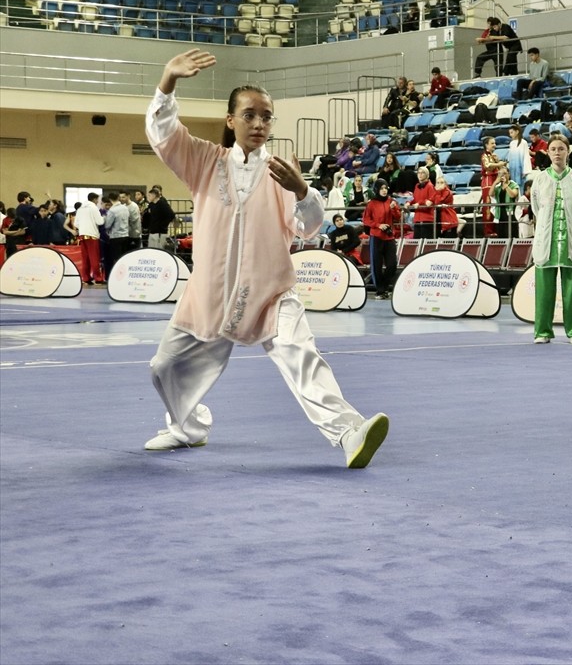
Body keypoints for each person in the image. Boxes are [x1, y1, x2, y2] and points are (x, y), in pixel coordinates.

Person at [140, 50, 388, 466]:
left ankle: (349, 433)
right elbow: (163, 133)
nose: (259, 124)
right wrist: (168, 80)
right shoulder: (203, 160)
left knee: (301, 355)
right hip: (209, 295)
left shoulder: (282, 171)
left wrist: (304, 191)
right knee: (163, 366)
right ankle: (187, 426)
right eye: (250, 115)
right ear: (230, 120)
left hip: (271, 292)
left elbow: (309, 227)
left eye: (267, 117)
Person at [530, 134, 572, 344]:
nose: (557, 153)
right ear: (548, 152)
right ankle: (542, 332)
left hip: (570, 239)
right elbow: (536, 207)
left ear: (567, 152)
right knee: (544, 289)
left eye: (561, 149)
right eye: (553, 149)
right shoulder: (540, 178)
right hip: (546, 239)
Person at [362, 179, 403, 299]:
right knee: (376, 265)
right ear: (377, 190)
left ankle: (384, 286)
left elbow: (398, 217)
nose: (384, 191)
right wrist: (378, 225)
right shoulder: (371, 204)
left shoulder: (392, 202)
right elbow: (366, 220)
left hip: (389, 237)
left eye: (386, 188)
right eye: (381, 188)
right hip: (376, 237)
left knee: (392, 265)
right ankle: (380, 290)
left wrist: (393, 209)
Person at [74, 191, 105, 284]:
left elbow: (76, 224)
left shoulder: (80, 209)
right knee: (94, 258)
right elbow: (100, 222)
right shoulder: (94, 208)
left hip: (82, 235)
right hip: (92, 235)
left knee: (85, 258)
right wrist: (104, 217)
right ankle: (98, 278)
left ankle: (86, 277)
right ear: (95, 199)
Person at [480, 136, 505, 236]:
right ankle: (488, 231)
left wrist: (499, 163)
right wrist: (498, 164)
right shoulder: (484, 156)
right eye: (492, 143)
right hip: (488, 182)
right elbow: (487, 166)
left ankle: (494, 229)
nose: (494, 145)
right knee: (488, 206)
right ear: (486, 145)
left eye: (494, 143)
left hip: (495, 180)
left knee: (495, 206)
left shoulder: (493, 156)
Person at [490, 163, 521, 238]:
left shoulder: (513, 184)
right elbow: (491, 193)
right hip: (500, 213)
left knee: (511, 235)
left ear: (508, 174)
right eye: (500, 174)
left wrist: (506, 185)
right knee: (501, 236)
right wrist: (495, 182)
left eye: (504, 173)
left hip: (510, 214)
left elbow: (513, 194)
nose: (502, 175)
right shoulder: (498, 186)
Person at [407, 166, 438, 239]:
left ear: (427, 175)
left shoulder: (430, 186)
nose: (420, 175)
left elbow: (431, 201)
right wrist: (409, 202)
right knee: (416, 243)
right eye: (418, 173)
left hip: (427, 219)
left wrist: (420, 203)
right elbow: (415, 199)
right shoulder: (417, 186)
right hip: (417, 219)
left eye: (422, 173)